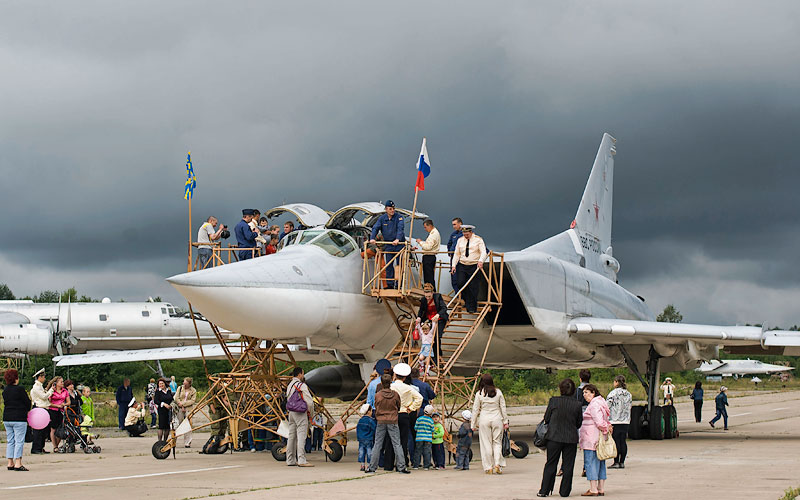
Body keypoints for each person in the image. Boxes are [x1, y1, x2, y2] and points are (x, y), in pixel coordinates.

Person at [538, 378, 583, 497]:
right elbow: (579, 423)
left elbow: (546, 419)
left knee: (551, 463)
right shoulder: (577, 405)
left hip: (554, 437)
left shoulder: (554, 401)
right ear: (573, 391)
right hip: (570, 438)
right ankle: (565, 491)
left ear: (561, 389)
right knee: (568, 465)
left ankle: (544, 490)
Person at [365, 373, 410, 474]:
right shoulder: (395, 395)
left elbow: (375, 406)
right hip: (393, 420)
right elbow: (398, 406)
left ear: (381, 382)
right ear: (391, 382)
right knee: (397, 444)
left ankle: (372, 467)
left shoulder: (378, 395)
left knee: (378, 444)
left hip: (381, 420)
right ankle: (401, 466)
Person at [385, 363, 423, 470]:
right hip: (403, 414)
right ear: (405, 377)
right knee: (403, 440)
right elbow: (419, 398)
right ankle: (402, 463)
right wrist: (411, 408)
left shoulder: (390, 387)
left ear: (395, 375)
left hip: (391, 415)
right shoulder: (408, 388)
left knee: (390, 439)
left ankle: (388, 464)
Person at [471, 373, 508, 474]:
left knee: (486, 443)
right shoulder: (498, 392)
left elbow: (475, 409)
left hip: (484, 419)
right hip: (497, 418)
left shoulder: (479, 394)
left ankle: (488, 467)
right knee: (497, 443)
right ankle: (497, 463)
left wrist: (473, 424)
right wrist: (505, 421)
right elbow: (503, 408)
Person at [579, 384, 611, 497]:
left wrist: (605, 427)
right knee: (601, 462)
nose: (584, 395)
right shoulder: (601, 403)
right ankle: (601, 488)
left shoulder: (593, 405)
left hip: (591, 438)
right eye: (583, 393)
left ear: (593, 392)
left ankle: (593, 489)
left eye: (587, 392)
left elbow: (599, 422)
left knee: (590, 463)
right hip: (600, 438)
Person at [451, 225, 487, 313]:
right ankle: (467, 301)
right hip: (462, 265)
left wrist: (481, 261)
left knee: (473, 287)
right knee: (460, 283)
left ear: (471, 232)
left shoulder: (478, 240)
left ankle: (472, 307)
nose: (465, 235)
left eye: (467, 234)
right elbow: (457, 254)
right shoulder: (460, 240)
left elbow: (483, 252)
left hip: (474, 265)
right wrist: (453, 265)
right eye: (464, 233)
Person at [369, 200, 405, 289]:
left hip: (399, 244)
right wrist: (372, 238)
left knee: (399, 264)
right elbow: (375, 228)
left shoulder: (399, 217)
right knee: (389, 264)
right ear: (386, 209)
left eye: (393, 209)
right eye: (390, 209)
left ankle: (398, 283)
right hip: (389, 244)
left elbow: (400, 229)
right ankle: (390, 284)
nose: (392, 210)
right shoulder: (382, 218)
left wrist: (397, 239)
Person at [3, 369, 31, 471]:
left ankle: (10, 462)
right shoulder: (20, 389)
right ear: (16, 378)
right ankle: (18, 462)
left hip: (7, 417)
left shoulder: (5, 390)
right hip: (19, 417)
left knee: (10, 441)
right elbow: (27, 403)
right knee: (19, 441)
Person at [286, 367, 314, 467]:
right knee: (301, 436)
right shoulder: (301, 385)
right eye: (303, 373)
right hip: (300, 413)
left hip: (291, 412)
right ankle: (301, 459)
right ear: (300, 374)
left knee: (291, 436)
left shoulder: (290, 385)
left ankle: (290, 459)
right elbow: (309, 402)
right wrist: (311, 413)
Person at [416, 283, 448, 360]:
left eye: (429, 296)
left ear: (432, 293)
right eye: (426, 296)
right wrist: (419, 317)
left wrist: (438, 315)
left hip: (439, 318)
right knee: (429, 336)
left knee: (437, 336)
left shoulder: (438, 297)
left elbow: (444, 308)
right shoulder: (423, 299)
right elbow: (421, 310)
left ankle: (438, 354)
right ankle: (431, 354)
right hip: (429, 318)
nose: (428, 298)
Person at [607, 375, 632, 470]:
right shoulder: (628, 394)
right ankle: (622, 462)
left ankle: (616, 461)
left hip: (615, 420)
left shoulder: (612, 394)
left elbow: (607, 406)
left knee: (616, 441)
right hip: (625, 420)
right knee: (623, 441)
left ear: (616, 382)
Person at [29, 368, 53, 455]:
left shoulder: (40, 386)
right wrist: (51, 390)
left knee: (44, 430)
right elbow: (43, 396)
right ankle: (36, 448)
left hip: (43, 409)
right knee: (38, 430)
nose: (44, 379)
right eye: (43, 377)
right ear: (39, 377)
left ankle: (41, 447)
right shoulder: (36, 387)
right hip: (39, 408)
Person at [416, 219, 441, 289]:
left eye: (425, 227)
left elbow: (428, 247)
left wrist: (420, 242)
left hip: (429, 256)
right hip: (430, 256)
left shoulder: (433, 234)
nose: (425, 229)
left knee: (428, 276)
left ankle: (431, 291)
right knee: (429, 276)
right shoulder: (434, 233)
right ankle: (430, 290)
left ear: (429, 226)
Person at [47, 376, 69, 452]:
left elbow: (69, 401)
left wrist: (64, 404)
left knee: (60, 428)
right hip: (53, 410)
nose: (62, 383)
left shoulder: (65, 391)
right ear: (56, 383)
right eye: (61, 382)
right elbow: (48, 403)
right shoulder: (52, 391)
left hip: (61, 411)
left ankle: (57, 444)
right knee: (53, 429)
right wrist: (56, 405)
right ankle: (55, 446)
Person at [174, 377, 197, 448]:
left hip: (189, 409)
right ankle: (174, 441)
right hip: (180, 408)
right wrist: (180, 404)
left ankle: (187, 442)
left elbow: (193, 400)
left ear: (189, 384)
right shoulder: (180, 388)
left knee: (188, 425)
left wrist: (184, 404)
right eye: (184, 383)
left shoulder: (193, 390)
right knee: (178, 424)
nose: (184, 385)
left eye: (186, 384)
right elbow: (176, 397)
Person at [412, 405, 435, 470]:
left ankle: (416, 465)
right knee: (427, 452)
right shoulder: (431, 421)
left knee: (418, 451)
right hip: (428, 439)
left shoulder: (419, 419)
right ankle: (426, 466)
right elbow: (432, 430)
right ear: (431, 413)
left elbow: (415, 428)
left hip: (419, 438)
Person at [356, 403, 376, 471]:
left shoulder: (360, 420)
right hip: (369, 439)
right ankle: (369, 465)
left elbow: (358, 429)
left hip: (361, 439)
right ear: (368, 411)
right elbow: (374, 428)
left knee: (361, 452)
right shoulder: (371, 420)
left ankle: (362, 465)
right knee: (369, 452)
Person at [447, 218, 463, 292]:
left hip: (461, 258)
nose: (453, 226)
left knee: (461, 279)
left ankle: (463, 297)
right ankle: (457, 296)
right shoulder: (453, 234)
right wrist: (449, 252)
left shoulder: (465, 233)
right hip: (453, 257)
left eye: (455, 224)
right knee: (454, 278)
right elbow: (449, 244)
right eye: (453, 225)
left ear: (460, 224)